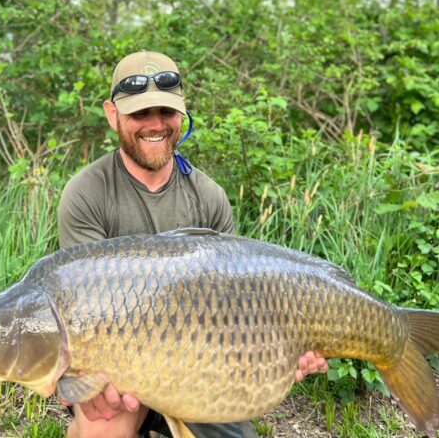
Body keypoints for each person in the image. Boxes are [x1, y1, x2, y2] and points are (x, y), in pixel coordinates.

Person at [57, 51, 328, 438]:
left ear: (182, 113)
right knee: (103, 428)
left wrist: (283, 351)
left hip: (201, 366)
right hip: (120, 370)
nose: (155, 125)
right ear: (112, 114)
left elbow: (239, 310)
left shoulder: (208, 196)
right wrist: (78, 385)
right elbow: (79, 312)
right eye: (140, 114)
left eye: (165, 112)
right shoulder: (87, 193)